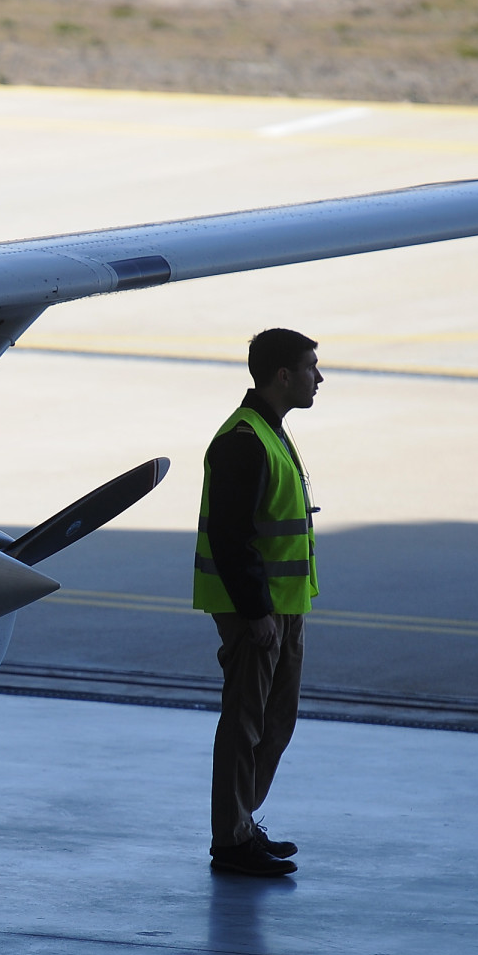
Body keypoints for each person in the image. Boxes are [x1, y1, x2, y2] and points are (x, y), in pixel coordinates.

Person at [193, 328, 322, 877]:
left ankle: (243, 825)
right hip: (259, 612)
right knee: (245, 724)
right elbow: (229, 534)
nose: (320, 378)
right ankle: (231, 841)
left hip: (285, 607)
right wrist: (255, 611)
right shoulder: (244, 440)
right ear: (283, 375)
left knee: (276, 722)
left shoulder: (269, 432)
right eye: (312, 367)